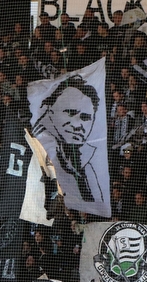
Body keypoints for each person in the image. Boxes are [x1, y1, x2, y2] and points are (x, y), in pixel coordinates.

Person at [32, 76, 107, 210]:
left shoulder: (86, 163)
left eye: (85, 118)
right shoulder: (37, 149)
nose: (78, 125)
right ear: (50, 110)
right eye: (70, 113)